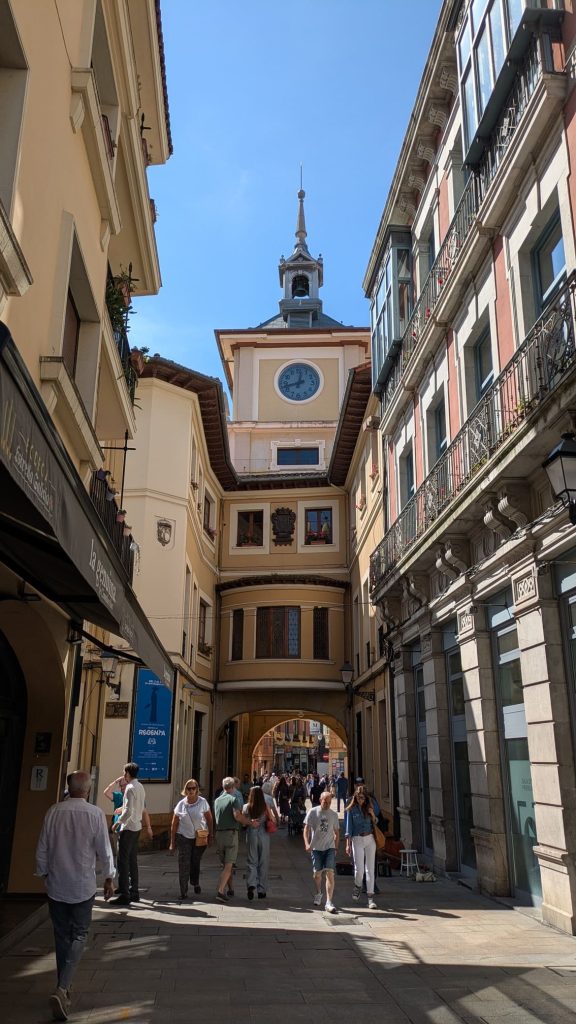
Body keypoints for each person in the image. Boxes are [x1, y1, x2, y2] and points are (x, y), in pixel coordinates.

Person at [36, 770, 115, 1022]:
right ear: (88, 790)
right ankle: (62, 988)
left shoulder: (53, 812)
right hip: (82, 885)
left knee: (61, 936)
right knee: (79, 934)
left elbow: (43, 847)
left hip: (57, 885)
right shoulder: (94, 814)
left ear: (68, 788)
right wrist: (109, 876)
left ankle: (64, 987)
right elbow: (104, 848)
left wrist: (43, 873)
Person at [213, 776, 257, 902]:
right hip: (231, 834)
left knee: (226, 864)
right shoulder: (233, 799)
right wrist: (249, 822)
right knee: (229, 865)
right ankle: (220, 891)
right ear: (233, 787)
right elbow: (237, 816)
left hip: (219, 835)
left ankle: (231, 888)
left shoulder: (217, 801)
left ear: (223, 787)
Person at [109, 762, 147, 906]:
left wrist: (118, 822)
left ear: (127, 773)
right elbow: (138, 806)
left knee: (122, 861)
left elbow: (129, 810)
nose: (124, 775)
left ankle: (125, 893)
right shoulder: (140, 786)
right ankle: (134, 891)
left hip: (128, 827)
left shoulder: (130, 788)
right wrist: (123, 808)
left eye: (124, 772)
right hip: (137, 826)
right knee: (132, 860)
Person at [169, 779, 214, 899]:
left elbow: (209, 819)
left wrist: (211, 835)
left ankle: (195, 882)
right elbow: (174, 824)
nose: (191, 791)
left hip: (199, 838)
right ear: (185, 790)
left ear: (197, 789)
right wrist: (172, 843)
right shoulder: (181, 804)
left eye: (193, 788)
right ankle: (183, 891)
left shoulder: (202, 802)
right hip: (183, 837)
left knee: (195, 862)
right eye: (189, 788)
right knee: (184, 864)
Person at [303, 789, 340, 913]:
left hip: (329, 847)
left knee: (330, 873)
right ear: (320, 800)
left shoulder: (333, 815)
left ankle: (329, 902)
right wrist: (307, 844)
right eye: (325, 802)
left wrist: (336, 847)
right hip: (316, 848)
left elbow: (337, 832)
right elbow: (306, 829)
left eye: (329, 802)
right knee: (317, 874)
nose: (327, 804)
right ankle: (319, 892)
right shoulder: (313, 812)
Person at [344, 786, 378, 909]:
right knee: (359, 870)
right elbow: (348, 829)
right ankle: (358, 886)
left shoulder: (370, 807)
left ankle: (370, 898)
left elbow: (376, 822)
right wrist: (347, 845)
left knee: (370, 869)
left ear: (366, 797)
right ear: (355, 797)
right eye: (358, 797)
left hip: (370, 839)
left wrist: (372, 814)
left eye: (362, 798)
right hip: (357, 839)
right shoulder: (351, 810)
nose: (360, 800)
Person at [243, 786, 273, 899]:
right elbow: (273, 820)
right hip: (264, 835)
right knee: (263, 862)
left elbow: (243, 823)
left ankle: (251, 884)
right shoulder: (265, 806)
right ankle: (261, 889)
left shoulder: (246, 807)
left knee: (251, 860)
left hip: (251, 834)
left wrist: (250, 822)